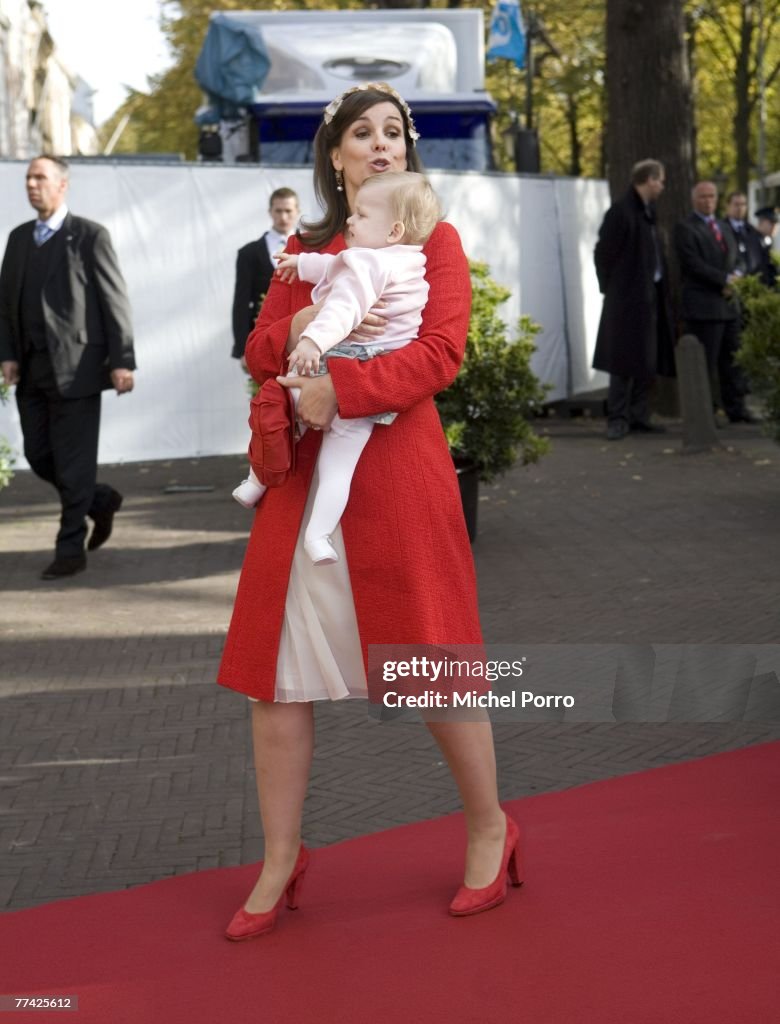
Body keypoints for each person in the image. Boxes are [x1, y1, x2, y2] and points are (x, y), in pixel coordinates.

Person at [217, 82, 519, 941]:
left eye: (395, 132)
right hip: (302, 488)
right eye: (364, 133)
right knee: (274, 677)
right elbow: (259, 350)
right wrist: (308, 319)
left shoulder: (438, 241)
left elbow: (442, 352)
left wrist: (337, 389)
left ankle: (491, 828)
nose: (383, 144)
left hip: (397, 478)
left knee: (431, 659)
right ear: (338, 158)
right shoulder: (305, 248)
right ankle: (281, 857)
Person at [232, 171, 439, 566]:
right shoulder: (410, 262)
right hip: (375, 381)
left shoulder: (368, 265)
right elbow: (333, 265)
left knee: (280, 411)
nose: (350, 221)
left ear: (393, 230)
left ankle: (256, 481)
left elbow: (343, 307)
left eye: (361, 215)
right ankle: (319, 536)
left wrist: (310, 341)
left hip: (341, 359)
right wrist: (302, 263)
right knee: (337, 468)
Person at [0, 155, 135, 579]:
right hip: (31, 369)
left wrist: (122, 360)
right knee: (40, 456)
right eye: (28, 178)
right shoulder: (20, 238)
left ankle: (69, 548)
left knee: (74, 464)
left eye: (40, 177)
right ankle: (98, 500)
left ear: (62, 185)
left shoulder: (90, 235)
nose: (32, 185)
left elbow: (115, 300)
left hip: (79, 369)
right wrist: (7, 354)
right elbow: (5, 306)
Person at [592, 159, 675, 441]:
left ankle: (639, 415)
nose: (662, 186)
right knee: (621, 361)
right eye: (660, 180)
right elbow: (603, 253)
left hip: (648, 298)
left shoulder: (647, 212)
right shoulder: (621, 211)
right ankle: (617, 418)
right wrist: (612, 288)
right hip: (626, 299)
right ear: (649, 179)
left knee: (646, 359)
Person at [674, 181, 746, 424]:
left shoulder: (724, 227)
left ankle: (736, 408)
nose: (708, 201)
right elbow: (692, 264)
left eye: (712, 196)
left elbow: (737, 257)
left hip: (729, 306)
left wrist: (736, 279)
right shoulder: (685, 228)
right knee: (707, 364)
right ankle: (708, 412)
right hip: (705, 307)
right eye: (703, 197)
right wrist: (723, 280)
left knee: (733, 361)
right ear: (695, 199)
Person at [231, 188, 299, 368]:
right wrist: (243, 348)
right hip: (262, 337)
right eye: (278, 211)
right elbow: (241, 303)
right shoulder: (249, 253)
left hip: (302, 337)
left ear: (297, 212)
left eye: (288, 211)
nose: (283, 217)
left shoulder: (312, 249)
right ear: (270, 212)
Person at [754, 206, 778, 289]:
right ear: (762, 222)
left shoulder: (767, 241)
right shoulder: (752, 240)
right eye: (771, 223)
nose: (775, 227)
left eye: (776, 223)